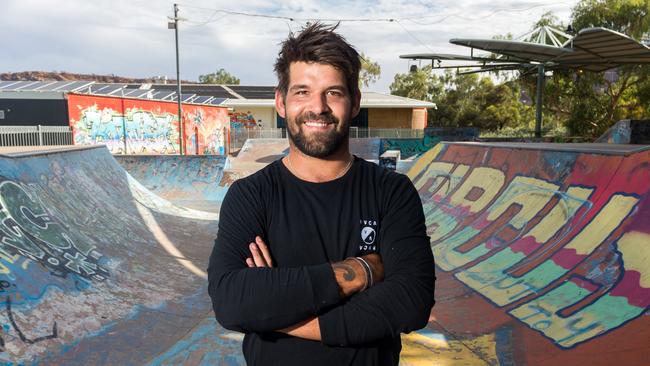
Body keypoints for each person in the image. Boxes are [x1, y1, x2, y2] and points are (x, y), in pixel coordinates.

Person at [207, 22, 435, 366]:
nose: (318, 106)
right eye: (302, 92)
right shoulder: (250, 196)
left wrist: (274, 309)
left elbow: (411, 302)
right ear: (281, 103)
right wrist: (361, 270)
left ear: (355, 102)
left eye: (334, 92)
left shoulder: (391, 192)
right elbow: (231, 302)